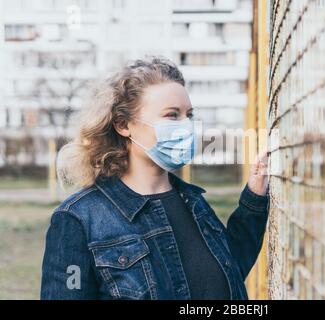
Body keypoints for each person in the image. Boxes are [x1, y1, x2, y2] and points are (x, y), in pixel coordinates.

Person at [40, 56, 269, 300]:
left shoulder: (192, 201)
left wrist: (253, 199)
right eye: (172, 115)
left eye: (189, 115)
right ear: (123, 125)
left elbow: (229, 271)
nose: (186, 126)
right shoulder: (78, 219)